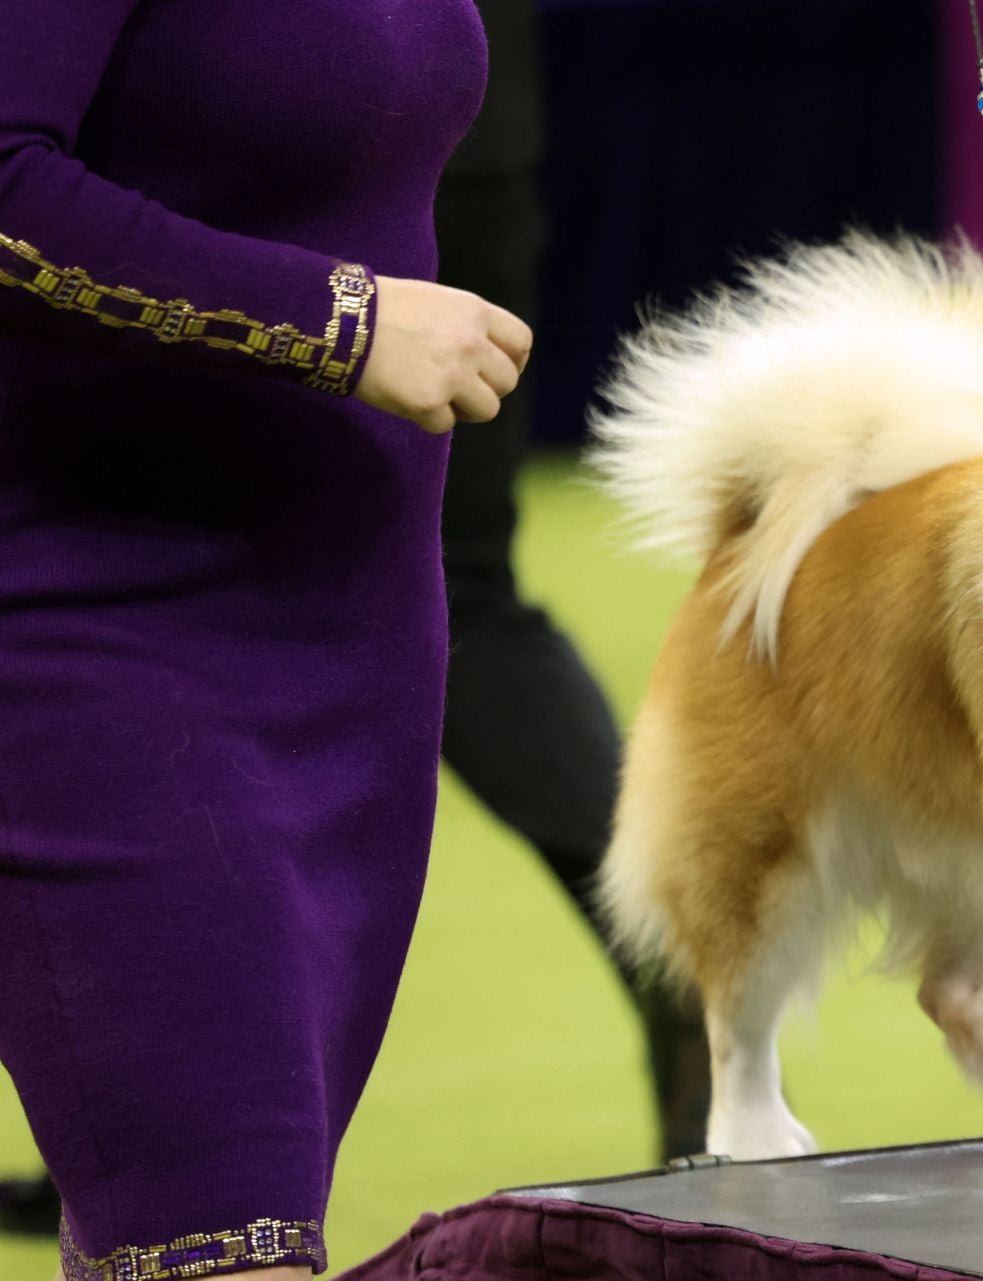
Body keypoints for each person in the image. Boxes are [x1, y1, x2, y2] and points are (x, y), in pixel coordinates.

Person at [0, 4, 529, 1278]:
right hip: (83, 611)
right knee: (218, 1241)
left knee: (199, 1232)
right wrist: (334, 319)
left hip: (353, 632)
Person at [432, 0, 710, 1161]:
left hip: (292, 146)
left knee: (453, 603)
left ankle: (680, 951)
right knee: (458, 602)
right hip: (452, 111)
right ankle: (680, 951)